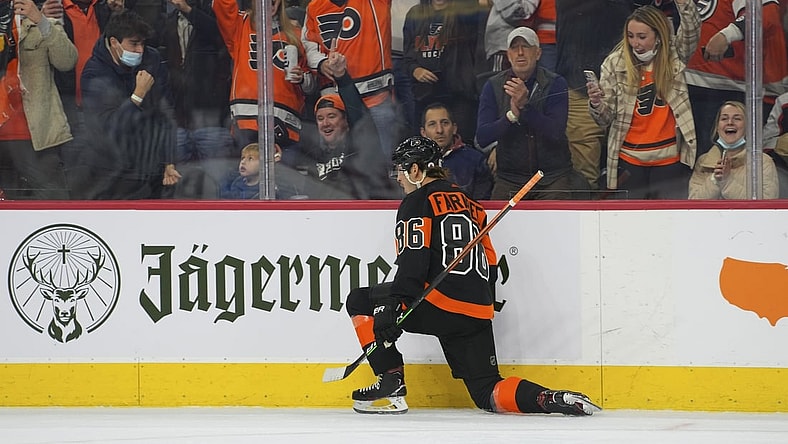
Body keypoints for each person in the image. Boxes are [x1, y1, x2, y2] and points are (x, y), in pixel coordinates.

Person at [343, 135, 600, 416]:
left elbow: (413, 261)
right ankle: (550, 398)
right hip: (477, 310)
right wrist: (481, 306)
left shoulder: (417, 201)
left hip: (437, 302)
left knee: (358, 300)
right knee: (487, 391)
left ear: (416, 170)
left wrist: (393, 305)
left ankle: (390, 380)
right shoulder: (471, 204)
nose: (399, 179)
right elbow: (489, 264)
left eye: (401, 171)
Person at [588, 2, 699, 199]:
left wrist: (684, 4)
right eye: (630, 36)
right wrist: (597, 104)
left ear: (658, 36)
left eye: (642, 37)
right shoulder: (614, 62)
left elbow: (691, 31)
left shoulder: (674, 53)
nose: (635, 43)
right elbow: (604, 120)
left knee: (668, 223)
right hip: (629, 162)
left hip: (669, 162)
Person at [477, 27, 588, 200]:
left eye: (526, 47)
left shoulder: (556, 83)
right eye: (514, 48)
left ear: (538, 53)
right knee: (499, 225)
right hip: (510, 179)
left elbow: (556, 132)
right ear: (508, 55)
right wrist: (511, 116)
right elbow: (483, 137)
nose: (520, 53)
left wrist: (525, 108)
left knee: (555, 221)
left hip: (552, 177)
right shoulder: (492, 86)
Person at [80, 10, 181, 199]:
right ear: (113, 43)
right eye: (133, 44)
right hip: (111, 170)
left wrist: (169, 161)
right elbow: (108, 129)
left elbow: (166, 112)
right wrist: (137, 96)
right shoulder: (94, 73)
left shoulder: (152, 59)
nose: (140, 50)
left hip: (151, 164)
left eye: (142, 43)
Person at [287, 47, 399, 200]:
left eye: (332, 116)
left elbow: (359, 115)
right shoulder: (314, 156)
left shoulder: (361, 147)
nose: (325, 123)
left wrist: (342, 77)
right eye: (320, 119)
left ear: (346, 121)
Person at [42, 0, 125, 199]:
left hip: (108, 108)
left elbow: (130, 42)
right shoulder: (53, 9)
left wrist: (119, 14)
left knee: (113, 174)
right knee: (78, 174)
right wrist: (40, 20)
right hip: (71, 105)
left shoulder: (106, 8)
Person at [685, 0, 788, 156]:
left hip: (730, 93)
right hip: (688, 89)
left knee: (724, 168)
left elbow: (765, 14)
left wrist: (726, 35)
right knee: (697, 165)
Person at [302, 0, 403, 157]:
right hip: (336, 100)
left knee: (381, 163)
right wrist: (321, 63)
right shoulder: (315, 6)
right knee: (339, 164)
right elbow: (308, 43)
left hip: (375, 97)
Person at [554, 0, 635, 191]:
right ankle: (586, 217)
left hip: (628, 88)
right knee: (584, 176)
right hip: (582, 88)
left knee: (634, 170)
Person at [0, 0, 77, 200]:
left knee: (56, 207)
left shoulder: (41, 22)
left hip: (36, 136)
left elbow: (67, 61)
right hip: (2, 134)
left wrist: (41, 20)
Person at [213, 0, 313, 150]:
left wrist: (302, 78)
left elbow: (311, 84)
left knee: (284, 173)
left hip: (287, 124)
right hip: (246, 120)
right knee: (251, 171)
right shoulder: (241, 25)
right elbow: (222, 4)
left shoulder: (296, 34)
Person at [161, 0, 233, 197]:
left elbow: (221, 37)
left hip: (211, 118)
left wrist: (187, 9)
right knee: (180, 185)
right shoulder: (168, 21)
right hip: (179, 120)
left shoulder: (211, 16)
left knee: (218, 185)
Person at [402, 0, 484, 142]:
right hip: (425, 94)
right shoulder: (415, 14)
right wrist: (415, 70)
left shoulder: (464, 13)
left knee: (461, 146)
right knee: (424, 149)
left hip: (459, 93)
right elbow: (407, 57)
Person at [689, 101, 779, 200]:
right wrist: (715, 179)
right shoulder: (703, 161)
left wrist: (727, 181)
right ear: (717, 128)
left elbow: (767, 206)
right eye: (724, 118)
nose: (730, 122)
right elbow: (693, 203)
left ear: (747, 128)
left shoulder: (762, 162)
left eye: (737, 119)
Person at [420, 102, 492, 199]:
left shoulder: (475, 160)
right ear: (423, 132)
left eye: (445, 123)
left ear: (454, 128)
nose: (439, 130)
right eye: (432, 124)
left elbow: (483, 203)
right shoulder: (415, 162)